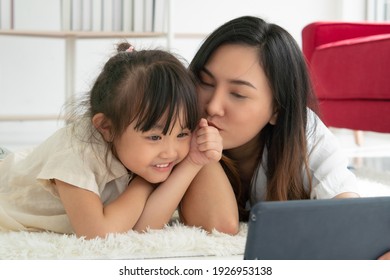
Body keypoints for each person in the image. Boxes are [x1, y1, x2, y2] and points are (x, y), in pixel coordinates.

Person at [0, 42, 222, 239]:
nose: (171, 151)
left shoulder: (147, 151)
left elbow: (144, 227)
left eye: (183, 134)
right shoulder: (76, 153)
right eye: (155, 136)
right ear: (106, 127)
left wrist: (193, 162)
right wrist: (145, 183)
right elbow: (98, 234)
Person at [179, 16, 360, 235]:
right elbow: (218, 227)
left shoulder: (305, 134)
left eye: (238, 94)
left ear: (277, 109)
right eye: (205, 83)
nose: (213, 106)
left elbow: (349, 214)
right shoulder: (175, 125)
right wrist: (201, 153)